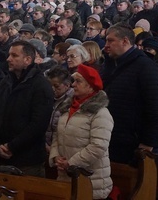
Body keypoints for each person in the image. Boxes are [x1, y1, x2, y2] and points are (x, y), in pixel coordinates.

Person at [101, 23, 158, 164]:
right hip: (115, 138)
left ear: (125, 41)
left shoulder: (146, 67)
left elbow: (157, 107)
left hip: (137, 143)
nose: (106, 45)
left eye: (110, 40)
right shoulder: (110, 65)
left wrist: (148, 142)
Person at [0, 41, 53, 177]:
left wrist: (12, 146)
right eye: (9, 55)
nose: (8, 59)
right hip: (2, 156)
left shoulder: (40, 86)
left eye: (14, 55)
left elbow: (38, 125)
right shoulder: (6, 83)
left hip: (28, 160)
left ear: (27, 60)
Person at [49, 64, 114, 199]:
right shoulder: (67, 108)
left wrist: (71, 163)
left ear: (90, 86)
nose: (73, 85)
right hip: (66, 177)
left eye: (78, 81)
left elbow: (98, 146)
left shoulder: (101, 113)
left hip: (91, 181)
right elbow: (57, 134)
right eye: (74, 81)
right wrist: (56, 157)